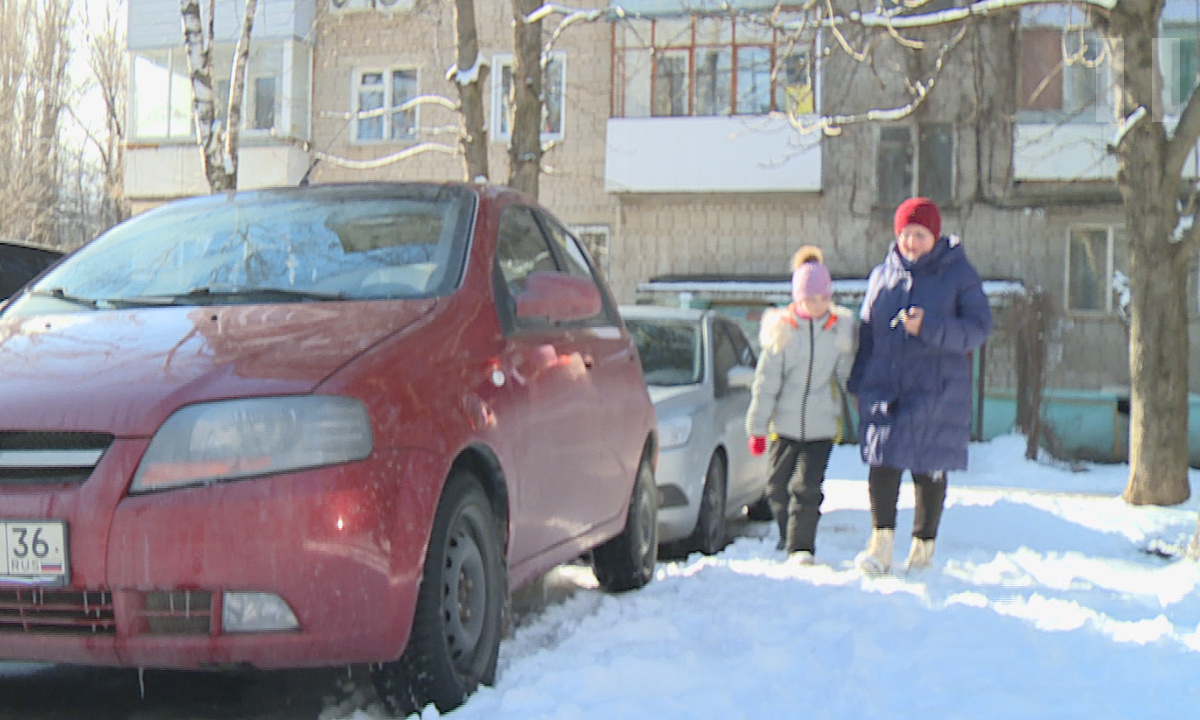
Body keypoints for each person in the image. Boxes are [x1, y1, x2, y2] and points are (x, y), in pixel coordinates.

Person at [847, 197, 992, 574]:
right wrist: (859, 383)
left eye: (920, 235)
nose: (912, 242)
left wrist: (929, 327)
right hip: (886, 389)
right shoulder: (883, 275)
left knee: (929, 470)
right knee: (883, 465)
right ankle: (880, 547)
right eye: (906, 234)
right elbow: (867, 332)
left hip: (937, 392)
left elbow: (978, 329)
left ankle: (922, 551)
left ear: (935, 236)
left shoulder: (959, 274)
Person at [746, 251, 857, 564]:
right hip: (784, 426)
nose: (817, 306)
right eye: (811, 299)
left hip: (821, 426)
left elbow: (847, 375)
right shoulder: (782, 332)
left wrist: (861, 399)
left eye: (823, 299)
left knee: (806, 489)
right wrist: (757, 427)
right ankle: (788, 536)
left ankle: (801, 548)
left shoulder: (839, 332)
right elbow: (765, 383)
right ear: (798, 299)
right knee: (776, 488)